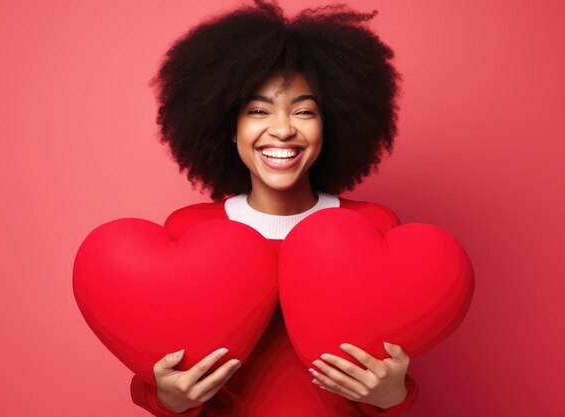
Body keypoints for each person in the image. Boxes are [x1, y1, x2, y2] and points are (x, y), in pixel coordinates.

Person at [131, 1, 420, 415]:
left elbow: (390, 369)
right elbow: (164, 366)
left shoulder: (373, 229)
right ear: (227, 127)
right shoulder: (190, 233)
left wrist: (392, 395)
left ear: (330, 123)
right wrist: (165, 398)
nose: (283, 129)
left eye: (304, 111)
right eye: (258, 111)